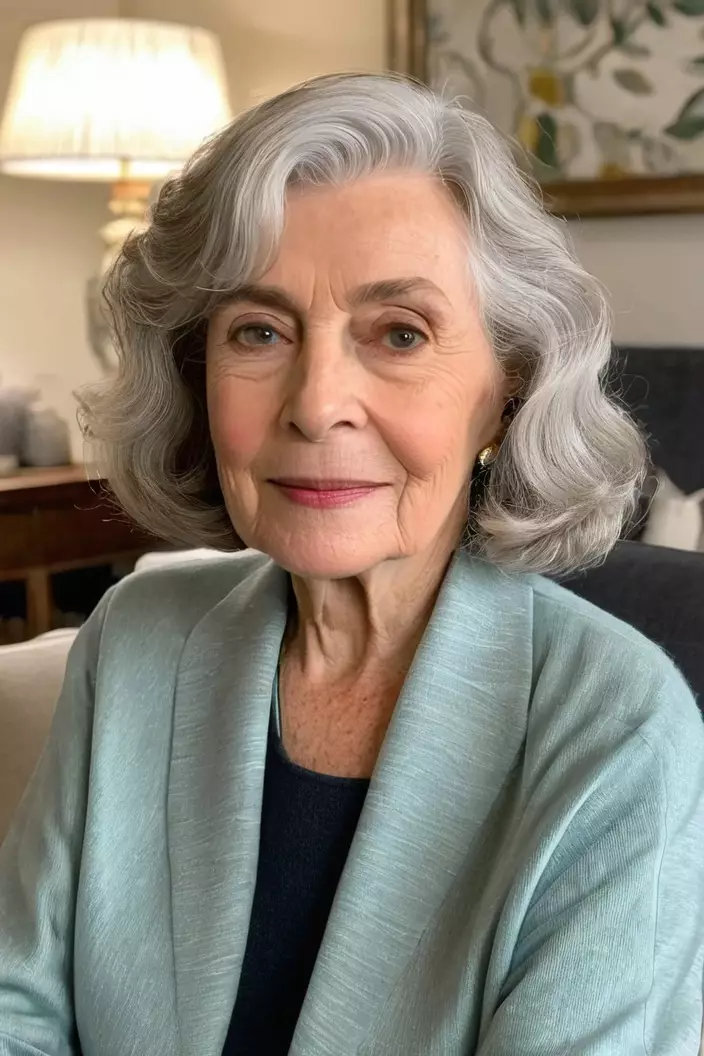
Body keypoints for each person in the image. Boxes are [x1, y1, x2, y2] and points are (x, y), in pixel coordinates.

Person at [0, 73, 702, 1056]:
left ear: (505, 386)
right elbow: (15, 1004)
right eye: (258, 331)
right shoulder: (136, 640)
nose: (315, 402)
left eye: (399, 333)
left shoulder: (619, 731)